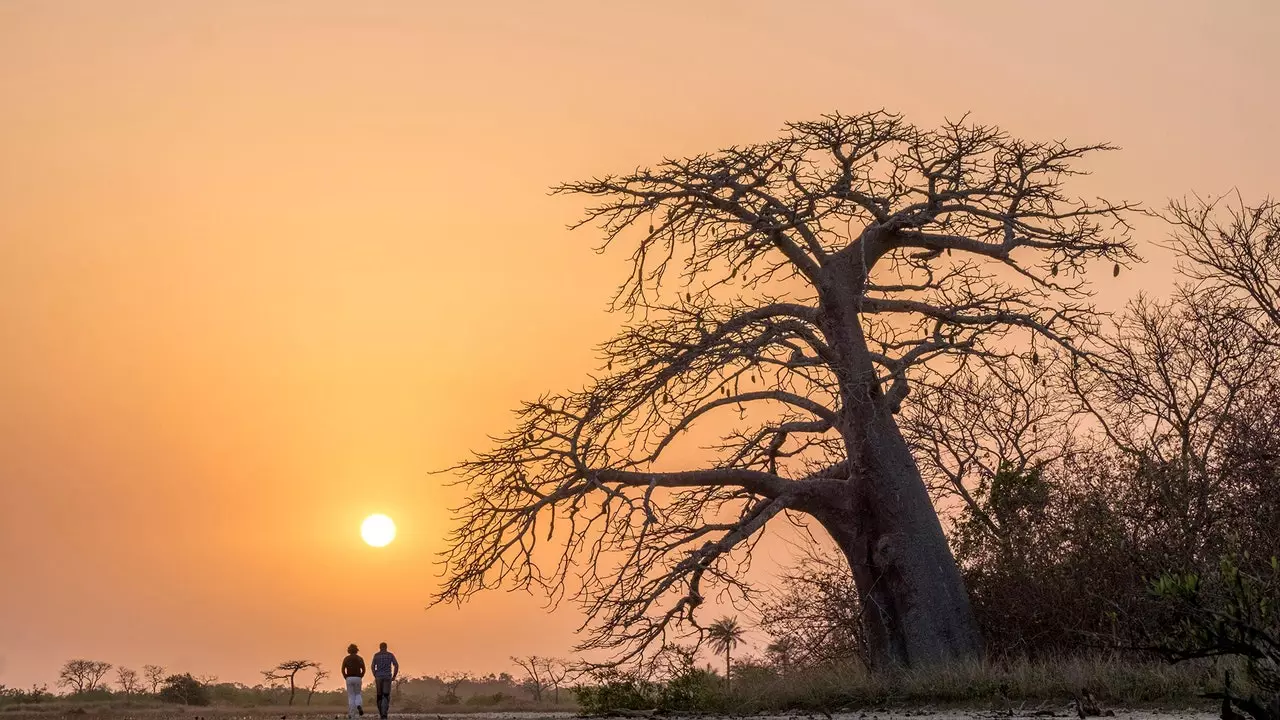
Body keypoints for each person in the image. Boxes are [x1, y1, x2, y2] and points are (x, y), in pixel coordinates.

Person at [370, 642, 399, 719]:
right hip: (387, 677)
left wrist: (375, 675)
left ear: (379, 647)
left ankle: (381, 713)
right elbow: (396, 665)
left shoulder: (376, 655)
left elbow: (372, 666)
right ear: (386, 647)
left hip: (378, 677)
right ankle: (384, 714)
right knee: (386, 695)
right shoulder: (390, 655)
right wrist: (394, 676)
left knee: (379, 696)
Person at [341, 643, 365, 718]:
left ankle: (352, 714)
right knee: (358, 694)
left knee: (351, 696)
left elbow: (342, 669)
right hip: (358, 677)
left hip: (349, 678)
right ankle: (358, 705)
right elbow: (364, 669)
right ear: (356, 651)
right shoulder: (360, 658)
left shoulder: (346, 658)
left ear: (349, 651)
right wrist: (361, 676)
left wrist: (346, 677)